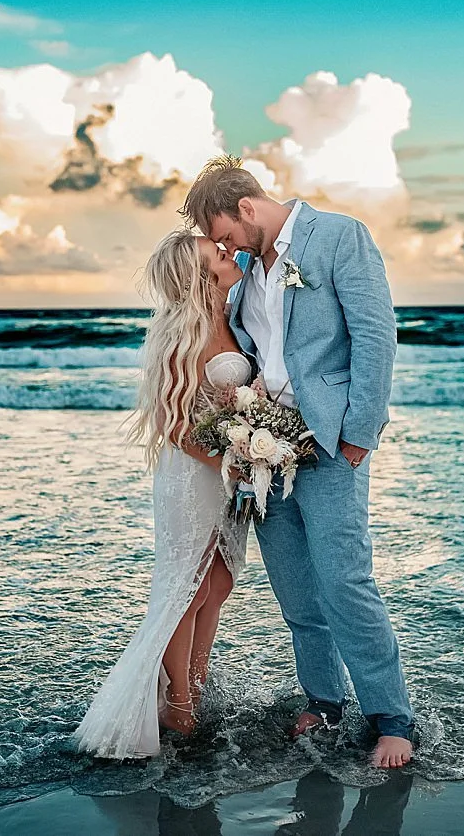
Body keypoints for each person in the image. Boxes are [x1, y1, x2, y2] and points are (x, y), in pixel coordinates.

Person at [180, 155, 415, 769]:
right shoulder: (245, 272)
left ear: (247, 209)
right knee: (295, 591)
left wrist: (362, 429)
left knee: (345, 581)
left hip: (331, 439)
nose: (223, 248)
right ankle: (325, 700)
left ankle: (392, 718)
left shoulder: (340, 237)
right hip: (262, 446)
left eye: (224, 234)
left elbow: (375, 335)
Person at [73, 229, 250, 759]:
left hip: (228, 469)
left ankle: (192, 686)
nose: (226, 252)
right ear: (197, 276)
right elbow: (172, 424)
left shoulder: (234, 317)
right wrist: (231, 463)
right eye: (214, 254)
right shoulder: (184, 334)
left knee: (218, 582)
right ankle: (178, 703)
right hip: (193, 474)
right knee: (186, 587)